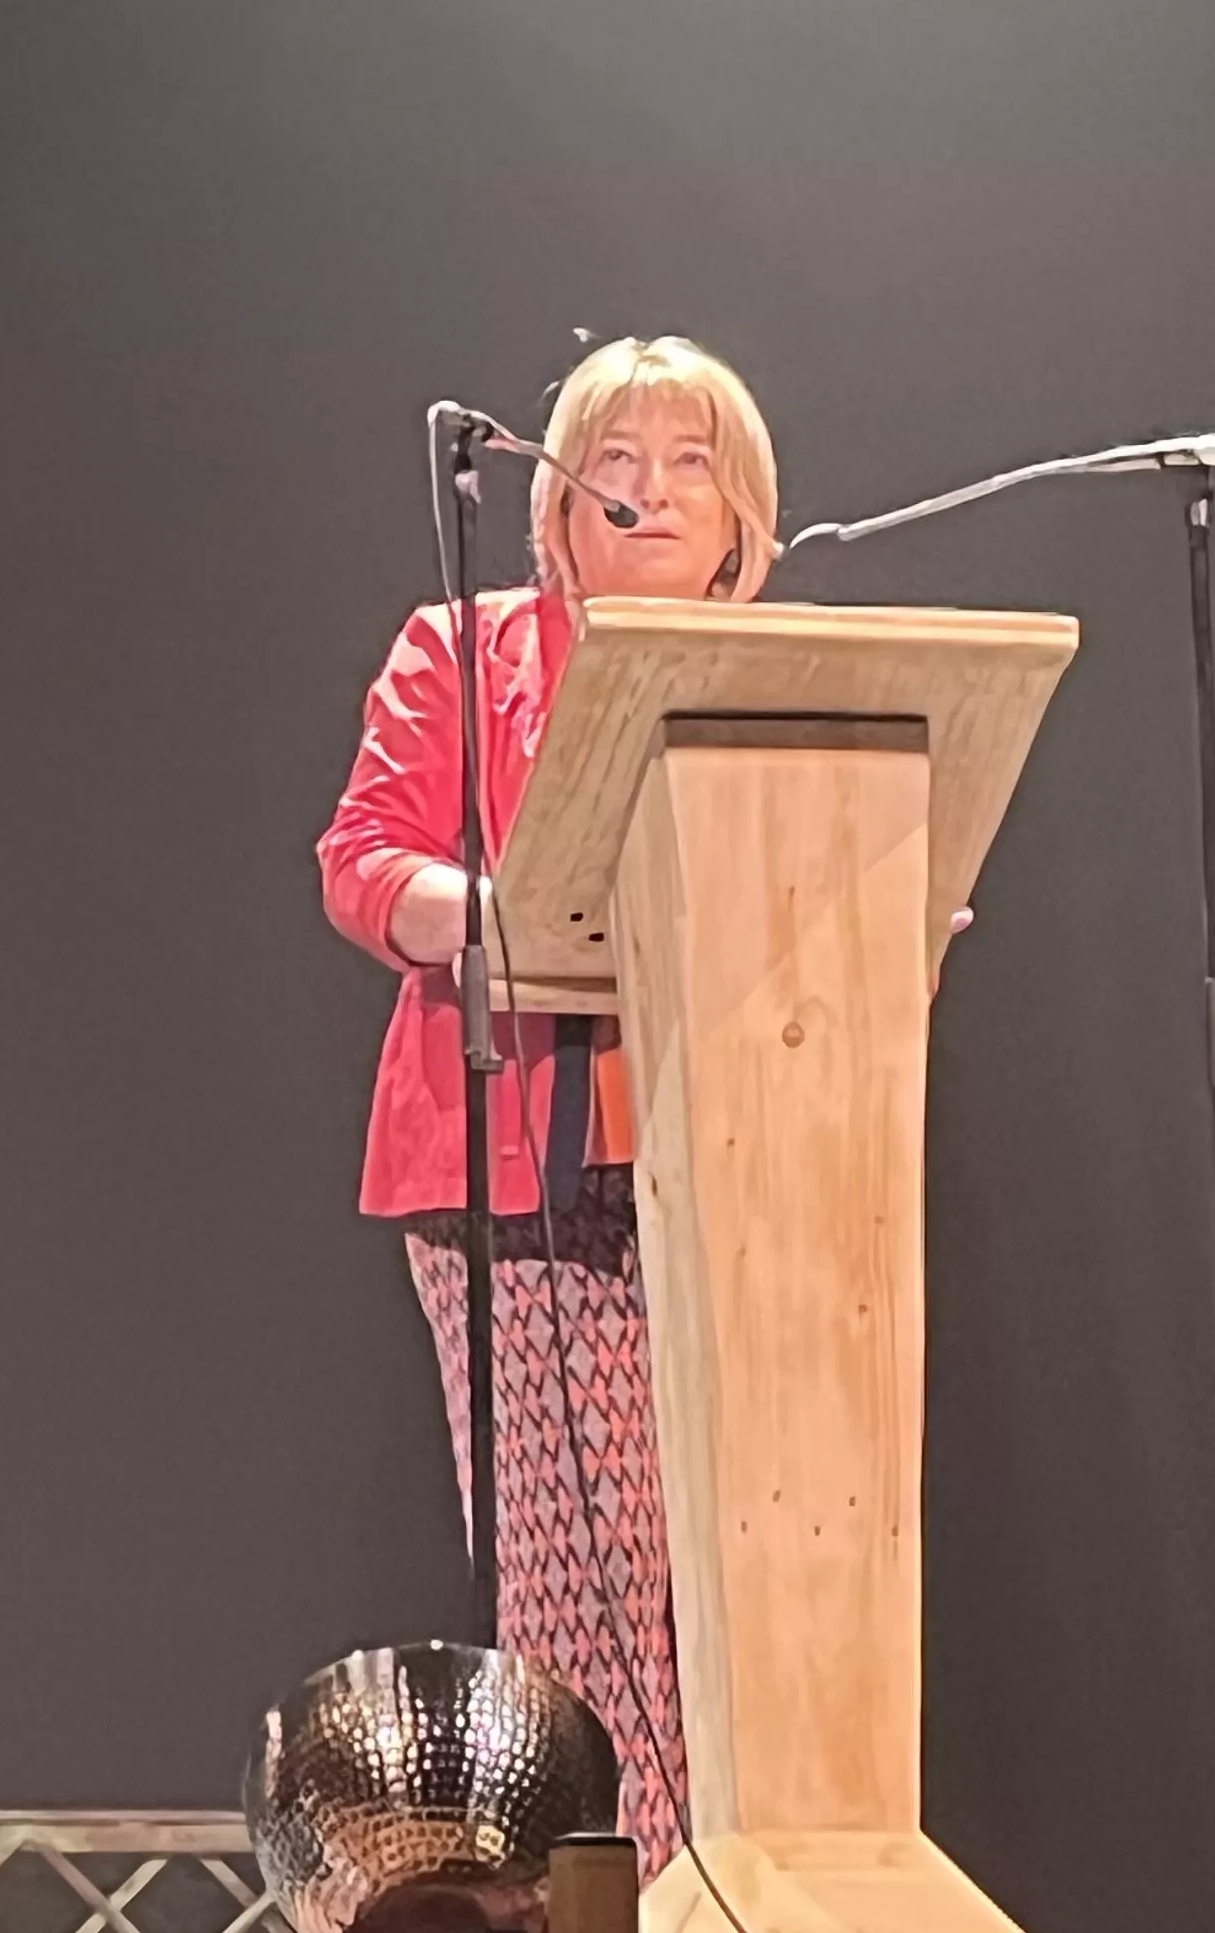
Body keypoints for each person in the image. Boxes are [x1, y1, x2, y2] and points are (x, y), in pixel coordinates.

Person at [312, 335, 786, 1876]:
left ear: (742, 514)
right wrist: (503, 914)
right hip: (509, 1168)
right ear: (557, 509)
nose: (651, 494)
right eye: (615, 468)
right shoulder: (464, 651)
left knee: (737, 1580)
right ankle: (622, 1889)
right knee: (583, 1581)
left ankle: (716, 1879)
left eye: (688, 464)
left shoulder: (788, 679)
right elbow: (365, 862)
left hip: (739, 1173)